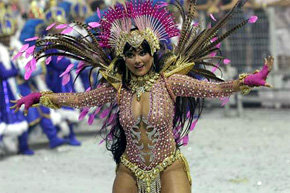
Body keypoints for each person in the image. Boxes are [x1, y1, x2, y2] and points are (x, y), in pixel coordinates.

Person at [12, 0, 274, 192]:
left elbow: (214, 89)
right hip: (130, 167)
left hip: (168, 164)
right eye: (130, 54)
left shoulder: (170, 83)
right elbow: (80, 99)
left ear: (153, 51)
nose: (138, 60)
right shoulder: (118, 89)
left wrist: (246, 81)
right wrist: (39, 97)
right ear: (122, 57)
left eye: (142, 52)